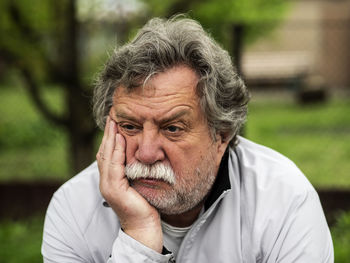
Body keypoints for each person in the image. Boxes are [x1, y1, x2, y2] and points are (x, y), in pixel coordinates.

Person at [42, 16, 333, 262]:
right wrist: (138, 234)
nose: (145, 153)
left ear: (222, 135)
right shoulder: (74, 209)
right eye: (130, 126)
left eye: (172, 128)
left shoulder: (283, 200)